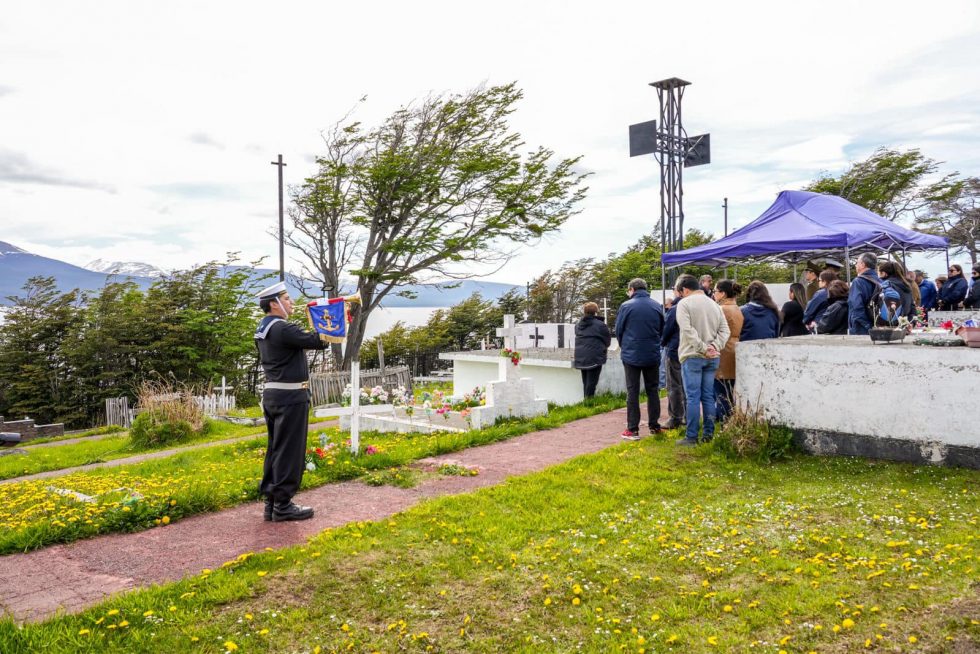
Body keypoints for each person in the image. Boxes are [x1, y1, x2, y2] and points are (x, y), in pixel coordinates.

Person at [255, 281, 329, 522]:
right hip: (290, 397)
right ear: (274, 304)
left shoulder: (264, 327)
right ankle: (284, 505)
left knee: (276, 449)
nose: (291, 302)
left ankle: (271, 502)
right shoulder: (282, 328)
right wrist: (330, 314)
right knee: (290, 452)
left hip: (274, 395)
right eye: (286, 299)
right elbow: (321, 340)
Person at [675, 274, 730, 445]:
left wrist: (703, 348)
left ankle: (691, 437)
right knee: (707, 396)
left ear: (685, 289)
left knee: (692, 397)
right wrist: (714, 346)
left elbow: (687, 330)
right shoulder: (714, 304)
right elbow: (725, 331)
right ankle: (708, 434)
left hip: (692, 355)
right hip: (713, 357)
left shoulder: (684, 304)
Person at [615, 278, 665, 440]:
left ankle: (633, 429)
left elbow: (619, 330)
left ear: (632, 289)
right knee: (653, 390)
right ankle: (654, 426)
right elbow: (662, 329)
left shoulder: (626, 306)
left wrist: (625, 346)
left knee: (633, 391)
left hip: (631, 354)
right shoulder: (657, 306)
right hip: (652, 353)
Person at [712, 279, 743, 422]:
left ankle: (724, 420)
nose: (713, 294)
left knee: (720, 391)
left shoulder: (721, 309)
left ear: (723, 293)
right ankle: (728, 419)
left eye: (715, 291)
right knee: (729, 390)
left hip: (723, 349)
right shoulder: (737, 307)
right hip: (734, 347)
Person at [659, 286, 686, 430]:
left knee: (674, 385)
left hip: (675, 351)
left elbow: (667, 330)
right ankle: (689, 417)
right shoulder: (698, 306)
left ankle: (675, 417)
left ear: (680, 290)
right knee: (689, 386)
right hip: (693, 351)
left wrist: (663, 343)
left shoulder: (675, 309)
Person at [573, 302, 611, 399]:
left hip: (581, 357)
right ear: (596, 312)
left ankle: (586, 402)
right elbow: (607, 340)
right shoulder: (600, 325)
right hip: (595, 357)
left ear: (584, 311)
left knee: (585, 382)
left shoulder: (578, 325)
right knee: (592, 383)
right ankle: (589, 403)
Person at [848, 253, 882, 335]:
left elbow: (856, 307)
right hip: (879, 325)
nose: (856, 265)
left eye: (857, 263)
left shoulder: (858, 282)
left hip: (861, 328)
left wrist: (867, 326)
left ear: (862, 265)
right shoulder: (881, 281)